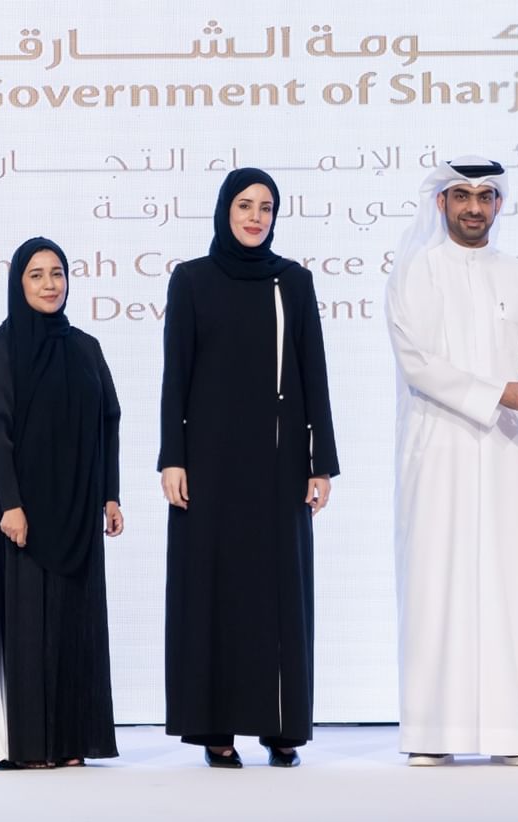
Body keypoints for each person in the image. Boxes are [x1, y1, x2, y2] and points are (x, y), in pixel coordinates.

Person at [159, 168, 339, 769]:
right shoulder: (192, 280)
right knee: (214, 591)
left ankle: (281, 726)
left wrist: (321, 464)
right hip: (208, 465)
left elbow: (314, 374)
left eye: (266, 207)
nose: (255, 217)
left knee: (277, 591)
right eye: (244, 205)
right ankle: (216, 727)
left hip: (278, 464)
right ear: (224, 211)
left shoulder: (293, 281)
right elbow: (175, 378)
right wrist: (172, 458)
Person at [385, 157, 518, 766]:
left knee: (507, 585)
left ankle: (513, 734)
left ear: (499, 205)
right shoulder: (415, 272)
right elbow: (418, 362)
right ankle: (434, 735)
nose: (474, 207)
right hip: (437, 450)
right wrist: (497, 392)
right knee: (436, 583)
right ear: (442, 203)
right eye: (463, 196)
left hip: (505, 450)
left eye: (486, 197)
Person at [0, 236, 123, 769]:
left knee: (73, 623)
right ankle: (26, 746)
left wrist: (110, 494)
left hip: (76, 508)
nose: (50, 284)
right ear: (18, 283)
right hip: (18, 510)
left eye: (57, 273)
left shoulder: (86, 348)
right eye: (37, 275)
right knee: (26, 625)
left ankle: (70, 742)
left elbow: (108, 420)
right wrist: (11, 504)